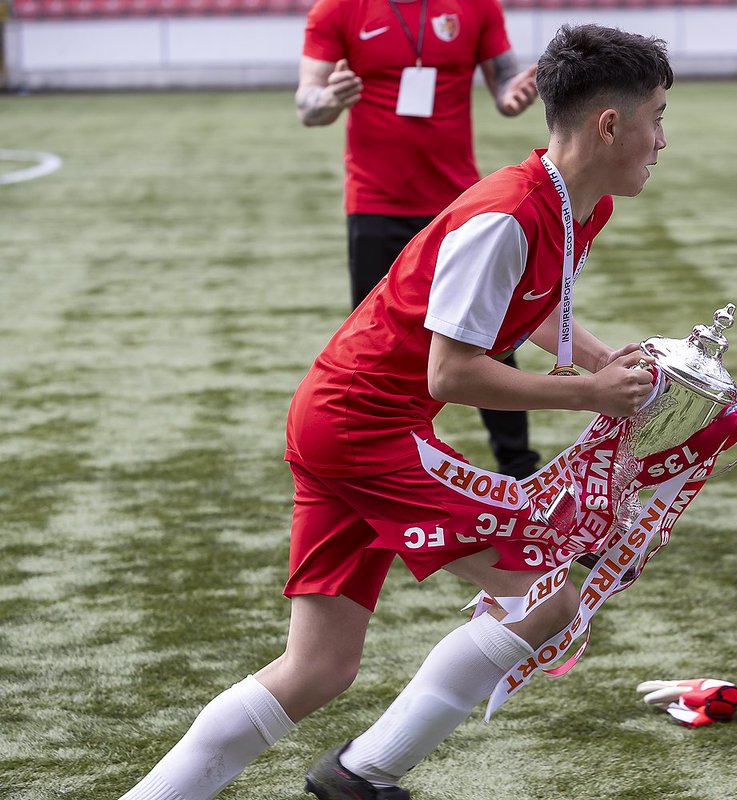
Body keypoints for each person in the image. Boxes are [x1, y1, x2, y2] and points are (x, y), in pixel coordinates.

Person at [118, 24, 672, 800]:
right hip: (362, 429)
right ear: (609, 124)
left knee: (320, 669)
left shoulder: (576, 206)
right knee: (548, 590)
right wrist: (588, 394)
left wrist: (605, 361)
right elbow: (450, 373)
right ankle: (360, 774)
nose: (662, 137)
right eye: (657, 114)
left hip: (343, 421)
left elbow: (539, 310)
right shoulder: (507, 215)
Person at [295, 0, 543, 479]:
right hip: (374, 202)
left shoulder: (477, 7)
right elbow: (309, 103)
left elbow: (504, 85)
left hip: (460, 205)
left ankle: (520, 470)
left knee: (488, 336)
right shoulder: (337, 10)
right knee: (376, 343)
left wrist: (514, 96)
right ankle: (372, 459)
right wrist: (329, 100)